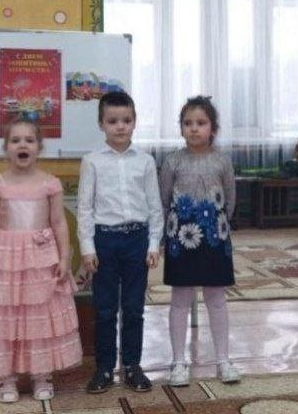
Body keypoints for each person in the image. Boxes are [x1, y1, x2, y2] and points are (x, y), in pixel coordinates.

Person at [0, 117, 82, 403]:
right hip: (6, 259)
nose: (22, 145)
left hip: (41, 259)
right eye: (15, 141)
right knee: (6, 316)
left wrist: (64, 258)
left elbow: (59, 223)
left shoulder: (50, 184)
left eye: (29, 140)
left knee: (39, 314)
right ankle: (6, 379)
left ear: (39, 147)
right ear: (6, 148)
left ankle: (41, 375)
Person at [77, 91, 164, 394]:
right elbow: (85, 208)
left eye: (126, 120)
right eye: (113, 121)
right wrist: (87, 247)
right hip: (104, 241)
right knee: (104, 309)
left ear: (135, 122)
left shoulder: (145, 161)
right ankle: (104, 368)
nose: (120, 126)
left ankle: (131, 365)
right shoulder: (91, 161)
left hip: (137, 240)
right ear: (101, 124)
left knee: (134, 307)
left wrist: (153, 243)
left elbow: (154, 206)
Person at [160, 95, 241, 387]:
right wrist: (168, 234)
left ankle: (223, 361)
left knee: (216, 299)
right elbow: (164, 199)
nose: (194, 128)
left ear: (213, 128)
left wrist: (216, 227)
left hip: (214, 239)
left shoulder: (222, 160)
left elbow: (230, 199)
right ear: (181, 128)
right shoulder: (172, 161)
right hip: (180, 240)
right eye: (188, 123)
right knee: (180, 300)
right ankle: (178, 362)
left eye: (201, 123)